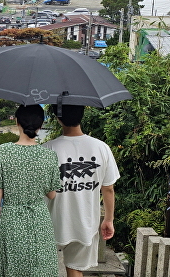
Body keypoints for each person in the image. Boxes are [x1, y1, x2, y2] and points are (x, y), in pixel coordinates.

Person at [43, 104, 120, 277]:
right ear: (82, 115)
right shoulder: (102, 148)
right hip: (85, 221)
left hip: (51, 222)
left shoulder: (46, 149)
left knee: (45, 269)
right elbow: (108, 188)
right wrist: (108, 219)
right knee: (75, 268)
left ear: (58, 118)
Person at [0, 104, 61, 276]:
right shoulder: (49, 155)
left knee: (12, 266)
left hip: (11, 218)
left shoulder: (1, 153)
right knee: (41, 267)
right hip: (39, 219)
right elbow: (52, 194)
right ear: (41, 125)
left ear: (17, 122)